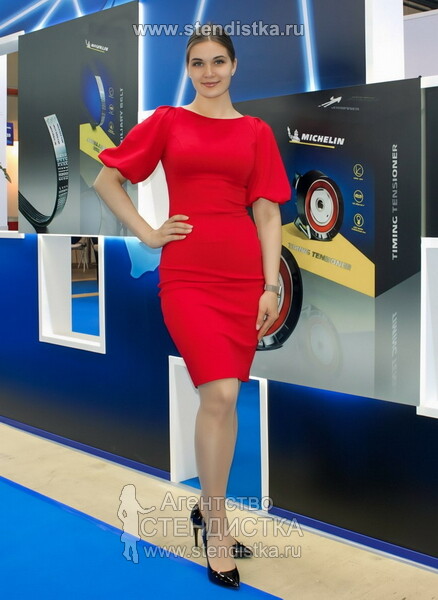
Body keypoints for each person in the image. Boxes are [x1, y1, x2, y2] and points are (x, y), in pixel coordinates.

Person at [94, 23, 291, 590]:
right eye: (198, 62)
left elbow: (268, 213)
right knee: (220, 393)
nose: (209, 72)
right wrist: (148, 233)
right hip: (187, 277)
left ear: (234, 66)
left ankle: (208, 506)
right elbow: (107, 180)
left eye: (218, 61)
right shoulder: (168, 122)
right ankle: (218, 528)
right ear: (187, 69)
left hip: (242, 277)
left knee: (225, 398)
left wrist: (270, 285)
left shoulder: (255, 132)